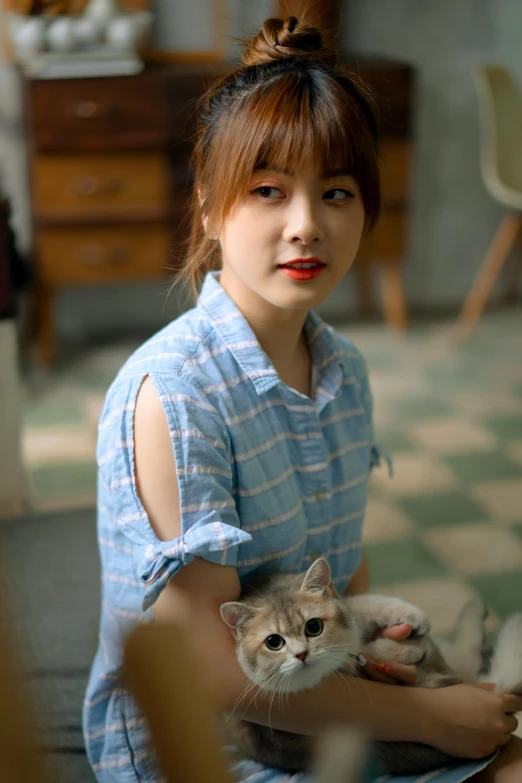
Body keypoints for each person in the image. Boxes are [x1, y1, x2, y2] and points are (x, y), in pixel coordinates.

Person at [83, 16, 522, 783]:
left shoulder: (342, 368)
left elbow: (339, 575)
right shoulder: (175, 398)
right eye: (267, 191)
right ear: (211, 208)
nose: (306, 225)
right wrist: (429, 718)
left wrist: (389, 661)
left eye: (337, 191)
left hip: (322, 702)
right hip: (201, 747)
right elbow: (214, 674)